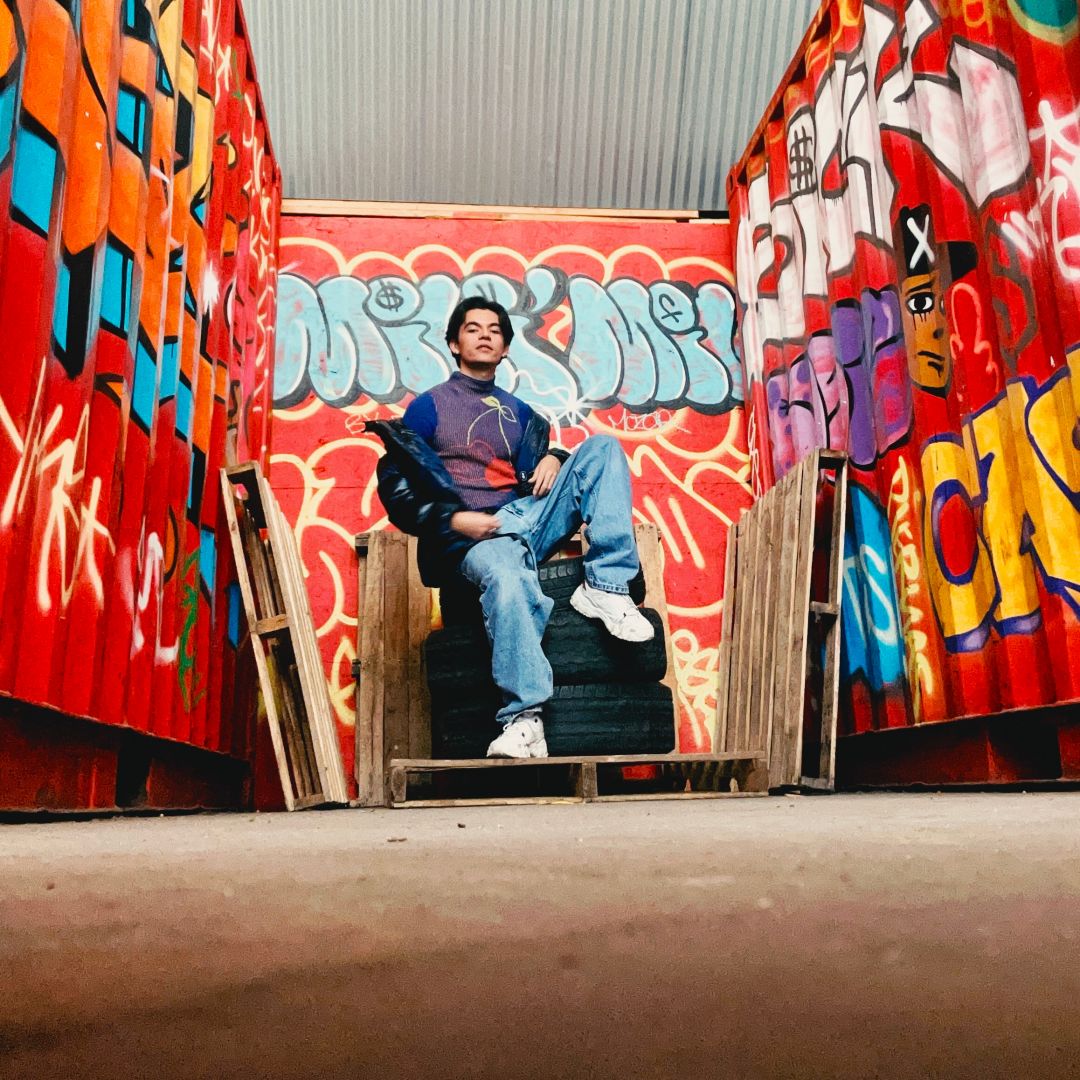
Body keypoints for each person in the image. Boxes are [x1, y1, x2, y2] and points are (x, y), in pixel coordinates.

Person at [368, 296, 653, 759]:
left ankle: (605, 586)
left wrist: (554, 457)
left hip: (526, 519)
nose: (484, 335)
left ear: (505, 348)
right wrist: (452, 520)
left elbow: (548, 476)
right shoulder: (429, 407)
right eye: (472, 328)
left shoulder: (522, 414)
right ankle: (525, 719)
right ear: (454, 343)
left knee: (602, 449)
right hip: (474, 534)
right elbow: (395, 484)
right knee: (507, 575)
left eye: (495, 330)